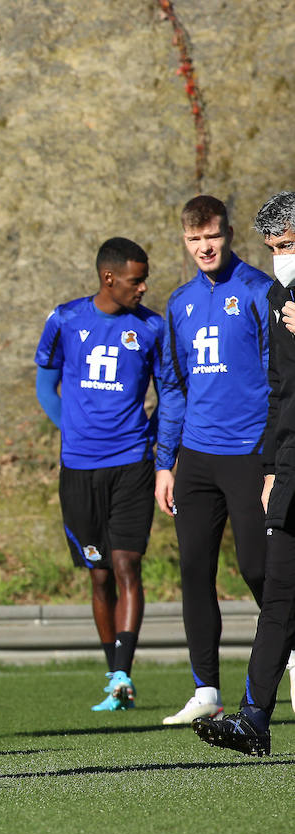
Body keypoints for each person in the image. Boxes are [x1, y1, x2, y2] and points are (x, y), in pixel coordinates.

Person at [155, 196, 272, 725]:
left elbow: (281, 381)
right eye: (194, 239)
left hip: (250, 455)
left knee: (258, 567)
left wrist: (276, 461)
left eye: (214, 236)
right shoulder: (178, 302)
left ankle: (286, 654)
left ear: (229, 234)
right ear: (184, 241)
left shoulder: (259, 292)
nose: (205, 247)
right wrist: (165, 462)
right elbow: (173, 388)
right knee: (195, 571)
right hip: (196, 459)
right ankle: (205, 690)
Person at [35, 238, 163, 712]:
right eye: (136, 280)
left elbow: (171, 392)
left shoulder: (152, 328)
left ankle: (124, 674)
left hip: (132, 463)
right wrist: (70, 426)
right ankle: (113, 671)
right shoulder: (65, 319)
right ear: (109, 278)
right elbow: (46, 382)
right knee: (100, 573)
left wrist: (152, 435)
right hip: (79, 469)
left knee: (128, 563)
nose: (143, 287)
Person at [194, 191, 295, 755]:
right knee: (278, 590)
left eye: (289, 245)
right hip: (290, 465)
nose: (281, 256)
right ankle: (255, 718)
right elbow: (281, 390)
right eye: (275, 247)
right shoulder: (281, 295)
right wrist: (270, 466)